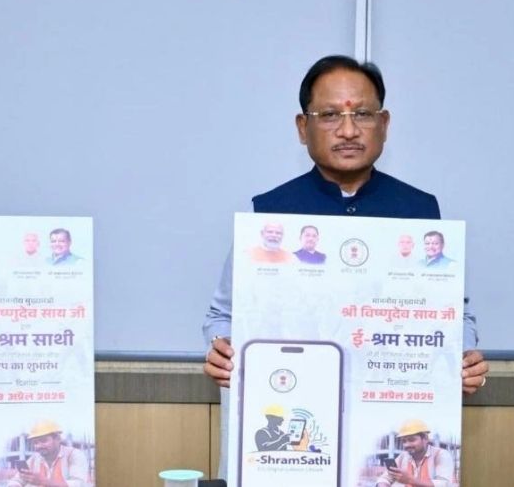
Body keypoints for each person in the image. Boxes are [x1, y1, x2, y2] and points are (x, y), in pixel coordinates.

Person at [202, 55, 488, 478]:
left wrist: (463, 358)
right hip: (296, 426)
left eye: (363, 115)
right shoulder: (269, 215)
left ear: (384, 124)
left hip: (383, 416)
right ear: (303, 127)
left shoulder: (420, 212)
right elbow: (221, 315)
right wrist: (221, 348)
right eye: (330, 115)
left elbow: (454, 315)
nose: (349, 130)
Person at [7, 420, 88, 487]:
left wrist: (44, 481)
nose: (39, 446)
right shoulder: (34, 459)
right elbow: (17, 479)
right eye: (35, 442)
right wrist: (15, 484)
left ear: (58, 439)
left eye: (43, 441)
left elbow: (78, 484)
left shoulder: (74, 455)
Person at [376, 419, 453, 487]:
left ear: (425, 439)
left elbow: (444, 484)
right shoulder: (403, 457)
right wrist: (383, 484)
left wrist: (410, 480)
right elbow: (385, 478)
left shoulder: (440, 455)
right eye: (404, 441)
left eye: (412, 440)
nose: (407, 445)